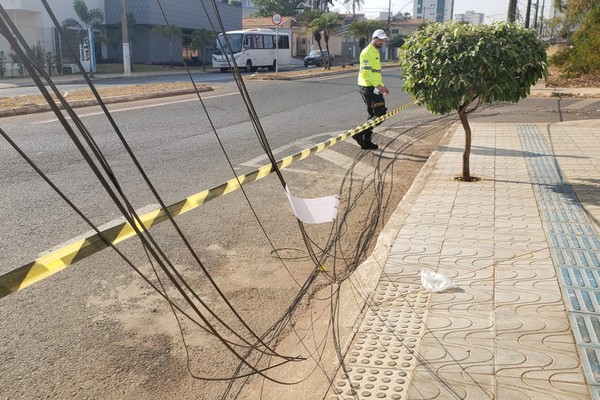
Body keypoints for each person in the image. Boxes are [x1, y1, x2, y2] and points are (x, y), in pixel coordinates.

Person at [354, 29, 390, 150]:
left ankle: (365, 140)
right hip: (368, 88)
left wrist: (381, 86)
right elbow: (366, 73)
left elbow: (376, 73)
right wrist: (379, 86)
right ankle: (360, 134)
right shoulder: (367, 52)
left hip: (373, 87)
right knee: (380, 114)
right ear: (374, 38)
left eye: (383, 40)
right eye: (380, 40)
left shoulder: (374, 51)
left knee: (373, 114)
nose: (382, 42)